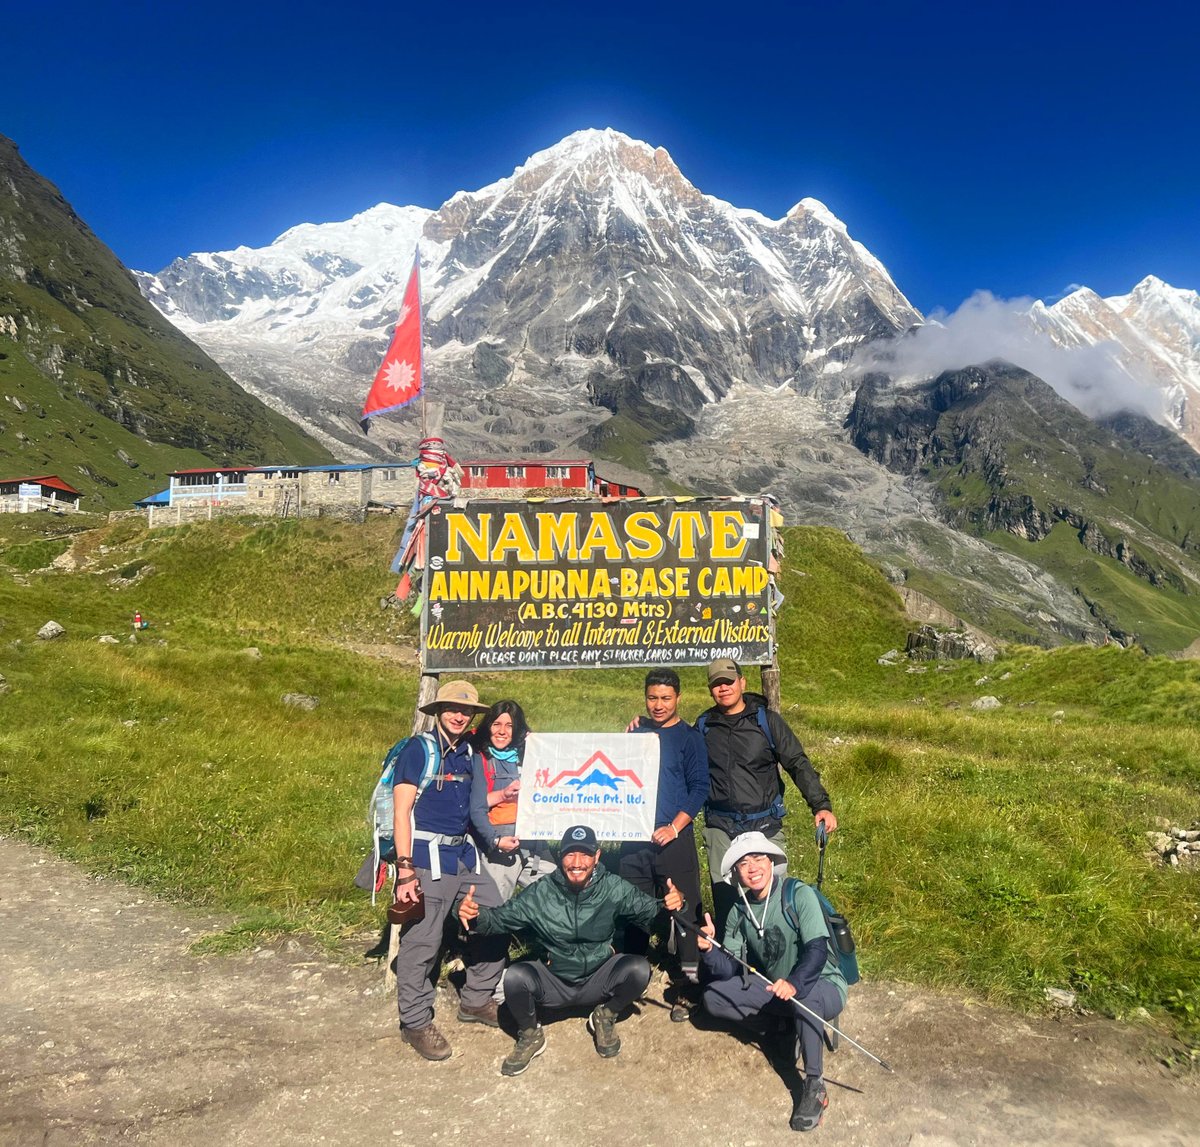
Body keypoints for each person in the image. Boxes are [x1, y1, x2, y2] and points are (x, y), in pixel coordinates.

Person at [458, 824, 684, 1076]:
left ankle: (605, 1014)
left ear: (597, 856)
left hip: (598, 981)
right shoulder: (542, 891)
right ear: (560, 856)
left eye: (585, 854)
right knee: (515, 977)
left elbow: (651, 912)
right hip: (555, 983)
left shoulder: (613, 887)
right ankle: (530, 1034)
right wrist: (474, 916)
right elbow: (499, 919)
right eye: (570, 854)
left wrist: (673, 906)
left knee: (639, 969)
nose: (577, 863)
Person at [391, 679, 509, 1061]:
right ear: (439, 711)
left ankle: (476, 998)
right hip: (425, 860)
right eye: (453, 709)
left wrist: (504, 799)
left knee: (497, 915)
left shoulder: (468, 752)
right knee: (423, 941)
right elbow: (401, 812)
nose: (459, 715)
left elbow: (476, 804)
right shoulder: (418, 750)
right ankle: (414, 1021)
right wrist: (405, 871)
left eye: (466, 710)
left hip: (462, 856)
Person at [697, 832, 848, 1134]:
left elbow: (817, 950)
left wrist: (794, 983)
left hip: (822, 985)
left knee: (804, 998)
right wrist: (710, 949)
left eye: (758, 859)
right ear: (736, 873)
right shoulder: (738, 911)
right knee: (713, 996)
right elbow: (729, 969)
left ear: (771, 862)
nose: (752, 868)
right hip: (776, 989)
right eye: (743, 863)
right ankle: (782, 1028)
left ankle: (815, 1085)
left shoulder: (798, 894)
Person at [699, 658, 836, 927]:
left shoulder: (766, 721)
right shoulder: (704, 726)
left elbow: (797, 762)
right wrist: (645, 728)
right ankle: (730, 950)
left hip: (764, 823)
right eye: (717, 684)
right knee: (726, 902)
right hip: (720, 827)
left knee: (772, 901)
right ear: (710, 689)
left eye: (729, 681)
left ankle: (776, 949)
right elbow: (681, 758)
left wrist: (820, 805)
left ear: (742, 683)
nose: (723, 688)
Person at [618, 668, 709, 1021]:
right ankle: (630, 980)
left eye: (666, 698)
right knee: (634, 911)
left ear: (678, 698)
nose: (658, 705)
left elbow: (699, 787)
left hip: (673, 838)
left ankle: (688, 987)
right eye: (652, 698)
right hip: (635, 839)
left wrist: (674, 827)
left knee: (685, 912)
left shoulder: (690, 738)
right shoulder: (637, 732)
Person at [468, 700, 554, 899]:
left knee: (556, 895)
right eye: (496, 724)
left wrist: (540, 748)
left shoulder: (528, 754)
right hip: (499, 842)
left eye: (509, 726)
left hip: (534, 843)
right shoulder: (479, 757)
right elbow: (475, 806)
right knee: (494, 904)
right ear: (488, 726)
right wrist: (495, 840)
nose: (502, 731)